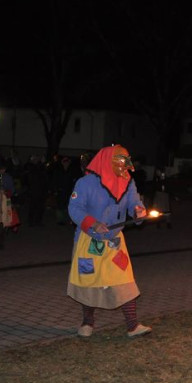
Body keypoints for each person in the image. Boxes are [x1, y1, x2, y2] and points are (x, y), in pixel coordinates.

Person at [66, 144, 151, 338]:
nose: (123, 166)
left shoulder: (128, 182)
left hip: (114, 241)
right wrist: (92, 223)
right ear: (107, 161)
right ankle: (87, 323)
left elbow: (134, 202)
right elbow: (75, 208)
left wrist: (139, 210)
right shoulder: (85, 183)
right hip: (89, 240)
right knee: (89, 281)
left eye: (125, 162)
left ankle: (132, 325)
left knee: (124, 280)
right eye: (120, 162)